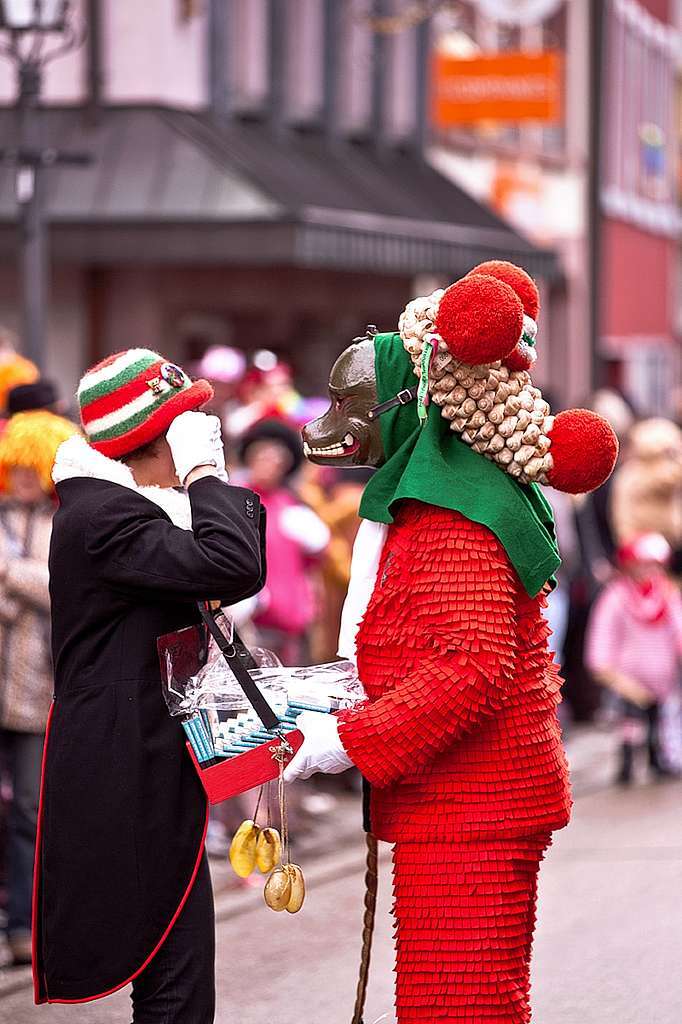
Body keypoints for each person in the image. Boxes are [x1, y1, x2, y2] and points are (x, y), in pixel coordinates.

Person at [285, 262, 618, 1024]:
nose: (340, 421)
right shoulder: (457, 492)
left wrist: (345, 739)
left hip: (472, 805)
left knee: (456, 1007)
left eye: (352, 404)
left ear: (412, 403)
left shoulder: (450, 515)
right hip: (472, 801)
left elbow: (470, 670)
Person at [32, 349, 265, 1023]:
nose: (204, 431)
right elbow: (231, 564)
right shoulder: (105, 516)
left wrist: (200, 478)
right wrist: (203, 472)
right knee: (173, 978)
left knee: (181, 970)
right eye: (188, 424)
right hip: (125, 761)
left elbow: (238, 563)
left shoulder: (124, 507)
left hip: (153, 756)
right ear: (154, 437)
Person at [0, 405, 78, 965]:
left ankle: (26, 925)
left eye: (31, 467)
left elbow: (62, 589)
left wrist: (7, 573)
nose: (22, 477)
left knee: (31, 809)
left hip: (36, 690)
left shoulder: (65, 525)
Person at [586, 532, 682, 784]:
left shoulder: (667, 595)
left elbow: (678, 628)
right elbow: (603, 632)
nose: (648, 571)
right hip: (628, 676)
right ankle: (627, 761)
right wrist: (602, 664)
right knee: (629, 721)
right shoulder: (616, 598)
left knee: (660, 718)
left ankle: (657, 757)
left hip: (662, 671)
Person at [238, 418, 329, 665]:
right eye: (264, 454)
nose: (271, 462)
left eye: (278, 457)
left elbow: (312, 566)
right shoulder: (236, 501)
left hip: (292, 628)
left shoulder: (294, 506)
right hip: (251, 625)